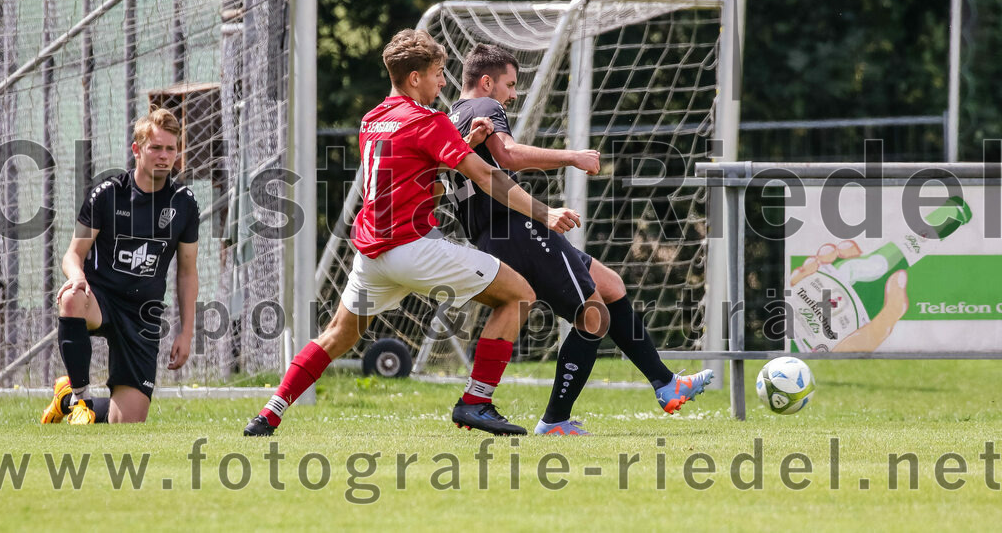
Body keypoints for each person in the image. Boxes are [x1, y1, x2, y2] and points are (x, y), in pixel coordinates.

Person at [243, 29, 581, 437]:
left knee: (339, 334)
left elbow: (415, 180)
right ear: (415, 77)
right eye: (438, 73)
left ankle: (269, 413)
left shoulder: (372, 120)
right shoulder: (429, 120)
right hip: (414, 249)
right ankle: (476, 402)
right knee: (520, 295)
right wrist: (545, 212)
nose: (443, 82)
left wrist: (461, 143)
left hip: (371, 256)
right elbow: (489, 177)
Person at [445, 43, 712, 435]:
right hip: (517, 229)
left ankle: (664, 383)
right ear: (486, 83)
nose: (514, 94)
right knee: (593, 316)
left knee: (610, 286)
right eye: (510, 84)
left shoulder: (452, 118)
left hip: (498, 234)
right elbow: (510, 155)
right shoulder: (485, 108)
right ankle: (555, 420)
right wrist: (573, 157)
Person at [40, 107, 200, 425]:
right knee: (70, 297)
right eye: (156, 148)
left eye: (170, 149)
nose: (164, 156)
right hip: (100, 299)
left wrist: (186, 332)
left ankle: (67, 400)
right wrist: (77, 277)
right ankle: (81, 395)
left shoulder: (184, 203)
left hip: (143, 315)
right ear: (137, 149)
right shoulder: (108, 195)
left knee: (124, 425)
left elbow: (187, 271)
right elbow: (73, 254)